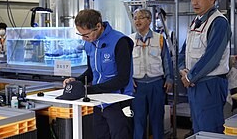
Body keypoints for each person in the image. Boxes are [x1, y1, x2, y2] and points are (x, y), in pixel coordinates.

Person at [63, 9, 134, 139]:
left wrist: (90, 90)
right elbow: (91, 72)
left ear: (98, 26)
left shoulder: (120, 41)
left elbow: (122, 79)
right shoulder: (89, 43)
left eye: (86, 35)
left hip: (118, 101)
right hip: (98, 102)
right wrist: (76, 81)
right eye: (81, 35)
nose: (84, 39)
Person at [178, 0, 231, 134]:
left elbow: (212, 57)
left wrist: (190, 78)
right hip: (194, 85)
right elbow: (183, 52)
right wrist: (183, 71)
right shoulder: (195, 22)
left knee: (210, 131)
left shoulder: (219, 22)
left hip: (210, 86)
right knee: (198, 129)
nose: (194, 2)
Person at [130, 8, 173, 139]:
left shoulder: (159, 39)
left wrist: (169, 78)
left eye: (141, 17)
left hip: (156, 84)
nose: (137, 21)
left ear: (149, 20)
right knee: (138, 120)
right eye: (135, 18)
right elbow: (125, 63)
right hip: (137, 86)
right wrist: (128, 80)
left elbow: (167, 60)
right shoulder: (129, 40)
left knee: (157, 119)